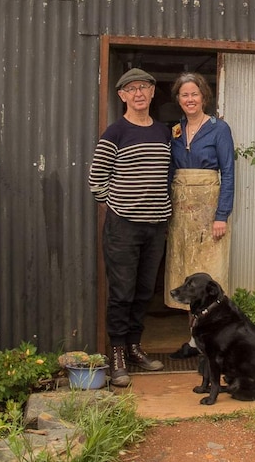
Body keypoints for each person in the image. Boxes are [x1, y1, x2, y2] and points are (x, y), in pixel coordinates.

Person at [88, 67, 171, 385]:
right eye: (131, 88)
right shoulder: (115, 133)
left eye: (144, 87)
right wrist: (119, 205)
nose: (139, 93)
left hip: (156, 225)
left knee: (143, 291)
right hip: (123, 226)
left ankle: (136, 346)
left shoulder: (163, 132)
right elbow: (96, 180)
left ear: (152, 93)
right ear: (122, 96)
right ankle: (118, 354)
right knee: (121, 292)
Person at [164, 72, 235, 358]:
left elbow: (228, 172)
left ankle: (214, 341)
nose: (190, 99)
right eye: (184, 95)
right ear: (178, 100)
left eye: (194, 94)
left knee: (210, 275)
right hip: (182, 211)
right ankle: (193, 341)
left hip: (209, 209)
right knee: (186, 276)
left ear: (204, 97)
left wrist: (222, 215)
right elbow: (169, 171)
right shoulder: (175, 131)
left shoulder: (220, 129)